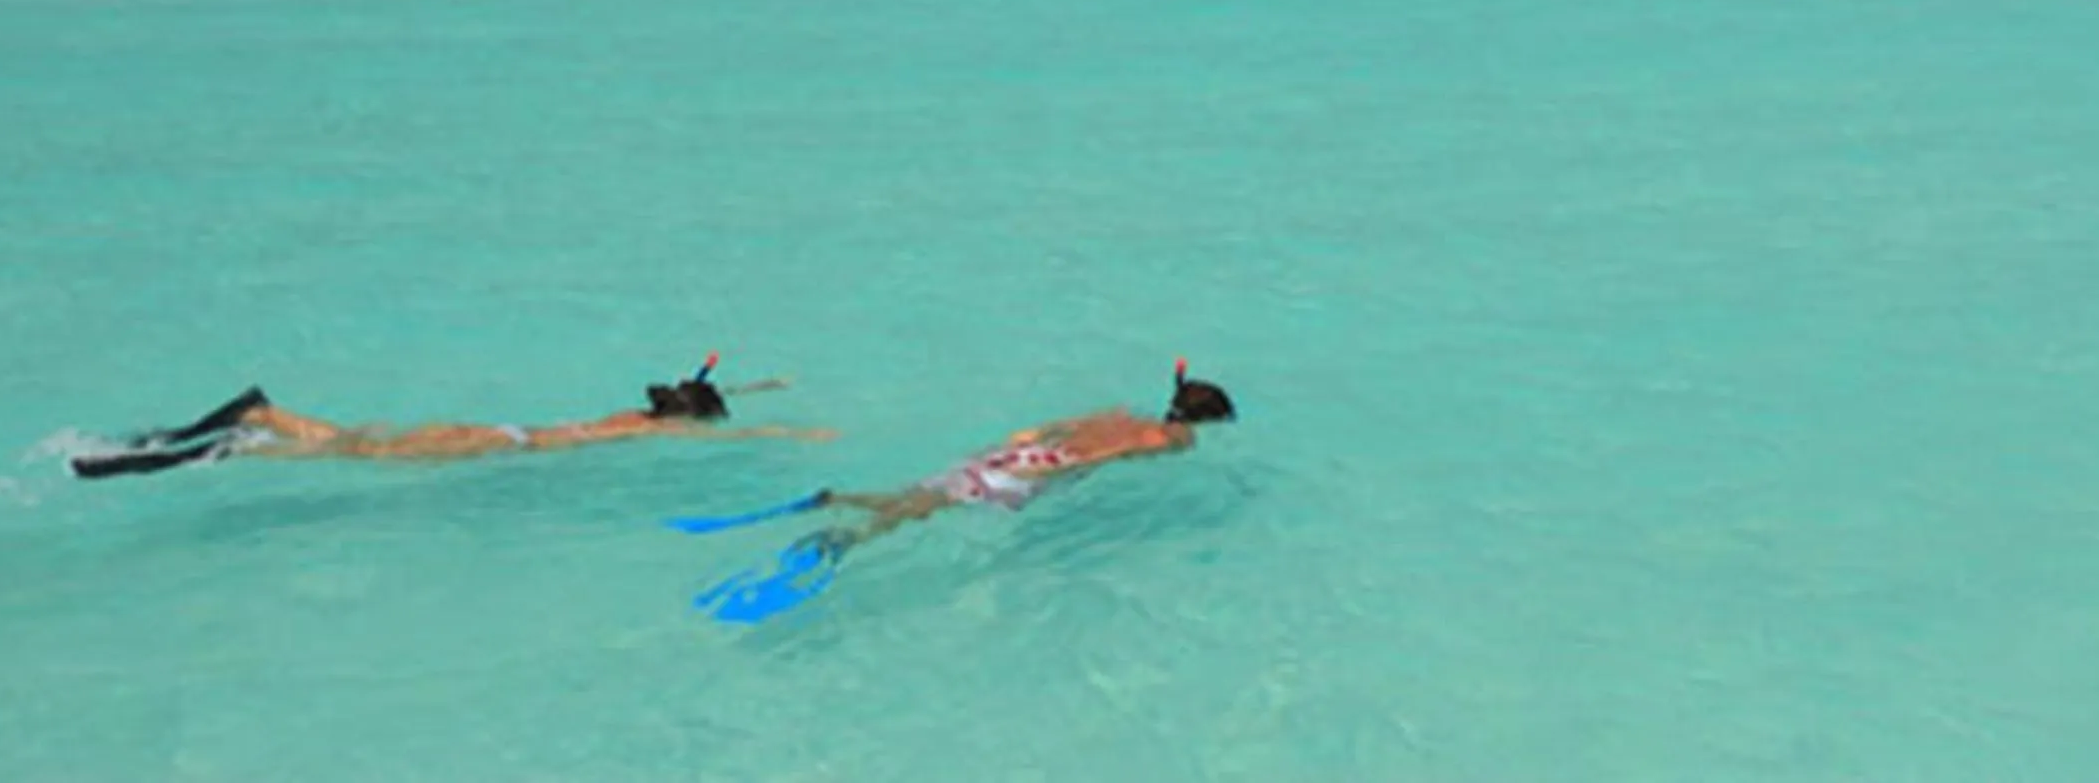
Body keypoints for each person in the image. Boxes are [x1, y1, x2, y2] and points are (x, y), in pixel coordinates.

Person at [684, 361, 1236, 623]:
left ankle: (839, 500)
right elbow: (1105, 455)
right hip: (1025, 476)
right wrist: (1046, 476)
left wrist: (1023, 453)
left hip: (1005, 458)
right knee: (920, 514)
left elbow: (1040, 431)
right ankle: (842, 538)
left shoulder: (1116, 412)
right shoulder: (1172, 438)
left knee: (922, 496)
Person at [67, 355, 829, 478]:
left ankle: (262, 414)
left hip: (496, 432)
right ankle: (237, 439)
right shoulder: (656, 425)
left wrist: (763, 383)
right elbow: (743, 422)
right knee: (355, 457)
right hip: (493, 445)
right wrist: (796, 432)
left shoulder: (642, 410)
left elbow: (718, 399)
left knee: (350, 446)